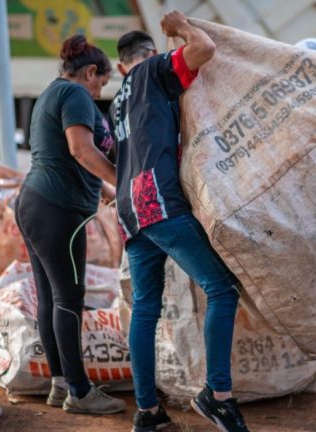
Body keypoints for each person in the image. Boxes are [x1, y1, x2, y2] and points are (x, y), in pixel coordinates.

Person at [110, 12, 250, 432]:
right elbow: (204, 49)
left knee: (146, 309)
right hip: (158, 201)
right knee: (222, 289)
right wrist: (182, 26)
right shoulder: (155, 70)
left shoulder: (118, 99)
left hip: (129, 210)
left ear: (120, 66)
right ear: (153, 54)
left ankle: (147, 411)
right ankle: (218, 396)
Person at [15, 35, 125, 415]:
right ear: (90, 72)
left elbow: (63, 157)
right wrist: (121, 183)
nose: (99, 94)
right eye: (101, 83)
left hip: (35, 203)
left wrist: (104, 190)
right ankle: (79, 391)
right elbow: (80, 149)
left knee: (52, 298)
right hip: (57, 211)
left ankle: (60, 384)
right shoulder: (76, 95)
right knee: (69, 300)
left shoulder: (51, 92)